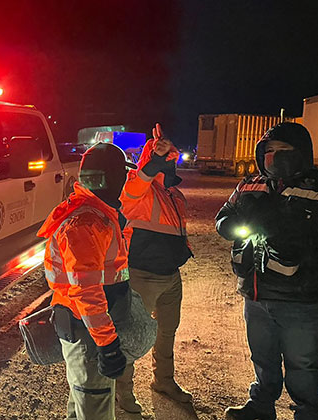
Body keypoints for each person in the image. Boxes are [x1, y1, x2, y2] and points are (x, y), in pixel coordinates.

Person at [216, 122, 318, 420]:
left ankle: (308, 412)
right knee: (263, 357)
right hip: (256, 293)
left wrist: (295, 232)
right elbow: (223, 216)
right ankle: (261, 406)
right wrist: (231, 227)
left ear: (301, 153)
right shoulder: (250, 184)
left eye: (283, 151)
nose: (274, 157)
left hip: (302, 298)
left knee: (303, 363)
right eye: (269, 151)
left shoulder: (317, 186)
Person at [38, 142, 137, 420]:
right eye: (124, 177)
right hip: (88, 333)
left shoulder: (94, 211)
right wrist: (107, 344)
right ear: (115, 179)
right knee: (94, 408)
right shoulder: (88, 222)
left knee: (82, 402)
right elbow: (87, 291)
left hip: (87, 328)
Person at [116, 123, 193, 413]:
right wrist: (153, 160)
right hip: (141, 274)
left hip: (171, 276)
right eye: (165, 158)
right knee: (134, 333)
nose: (169, 163)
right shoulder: (139, 188)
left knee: (167, 332)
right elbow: (134, 187)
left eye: (172, 158)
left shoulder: (175, 196)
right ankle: (123, 390)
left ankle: (164, 380)